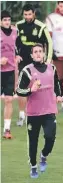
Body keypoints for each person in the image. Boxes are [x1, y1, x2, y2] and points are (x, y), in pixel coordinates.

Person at [16, 44, 62, 178]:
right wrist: (31, 90)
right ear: (31, 55)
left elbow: (57, 84)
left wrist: (59, 95)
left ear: (44, 53)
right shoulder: (27, 71)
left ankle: (44, 155)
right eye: (35, 52)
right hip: (34, 113)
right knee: (33, 141)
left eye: (40, 51)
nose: (38, 54)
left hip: (49, 111)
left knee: (50, 137)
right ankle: (33, 166)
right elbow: (19, 90)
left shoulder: (51, 68)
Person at [16, 3, 53, 127]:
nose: (27, 17)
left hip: (37, 62)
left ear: (34, 14)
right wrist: (16, 54)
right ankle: (22, 115)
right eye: (25, 14)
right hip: (23, 62)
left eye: (29, 14)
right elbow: (15, 42)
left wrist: (47, 59)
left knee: (39, 89)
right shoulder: (19, 25)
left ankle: (40, 114)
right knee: (22, 88)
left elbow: (49, 43)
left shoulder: (41, 27)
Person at [1, 11, 18, 139]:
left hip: (10, 72)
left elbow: (17, 47)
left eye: (8, 19)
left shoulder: (15, 32)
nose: (7, 22)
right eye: (4, 20)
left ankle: (7, 129)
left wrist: (17, 55)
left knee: (8, 100)